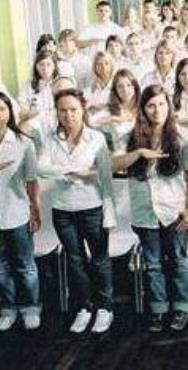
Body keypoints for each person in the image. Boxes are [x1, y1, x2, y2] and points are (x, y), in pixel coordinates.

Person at [112, 85, 188, 332]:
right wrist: (139, 153)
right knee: (153, 264)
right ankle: (158, 309)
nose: (157, 110)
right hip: (145, 211)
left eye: (161, 104)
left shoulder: (182, 136)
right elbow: (112, 165)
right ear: (143, 109)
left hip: (174, 209)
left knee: (179, 261)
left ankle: (181, 307)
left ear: (168, 106)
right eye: (151, 105)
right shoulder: (130, 137)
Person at [36, 88, 116, 333]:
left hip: (92, 207)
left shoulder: (97, 138)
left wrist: (109, 212)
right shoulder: (51, 139)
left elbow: (105, 176)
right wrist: (70, 171)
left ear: (82, 110)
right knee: (75, 260)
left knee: (100, 259)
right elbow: (40, 167)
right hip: (62, 210)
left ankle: (105, 308)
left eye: (73, 110)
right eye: (63, 110)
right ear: (57, 113)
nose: (68, 115)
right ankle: (85, 306)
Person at [0, 92, 42, 331]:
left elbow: (32, 181)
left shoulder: (23, 143)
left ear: (10, 112)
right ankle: (8, 308)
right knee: (1, 266)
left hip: (16, 213)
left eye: (1, 109)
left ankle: (31, 307)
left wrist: (35, 210)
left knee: (25, 265)